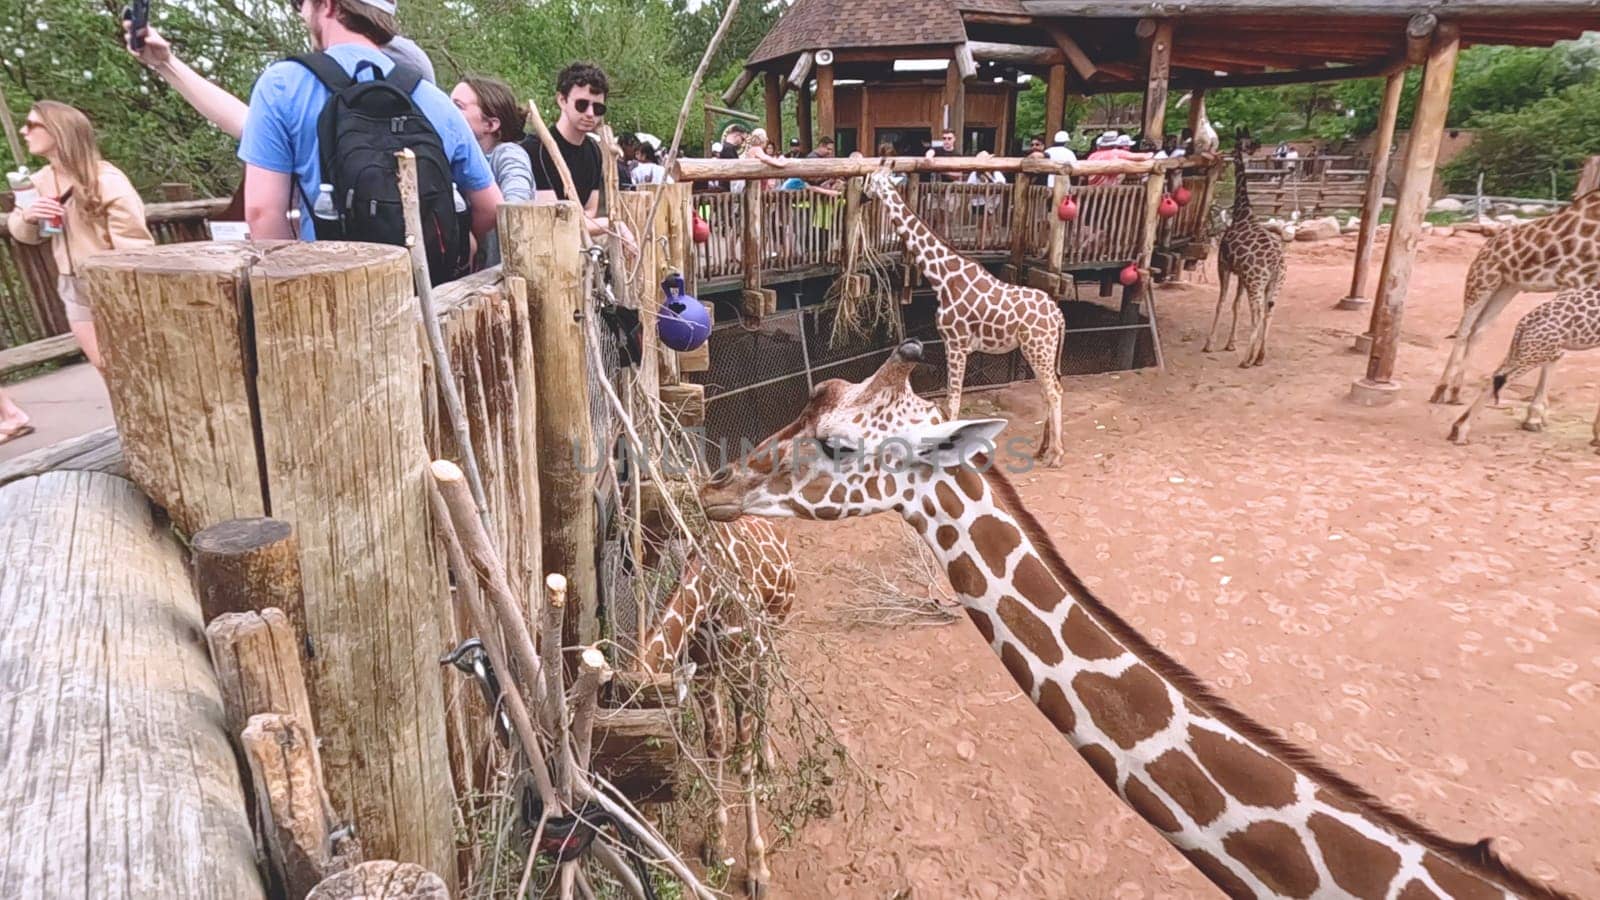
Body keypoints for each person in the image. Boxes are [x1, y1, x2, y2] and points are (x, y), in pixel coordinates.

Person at [237, 0, 501, 256]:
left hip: (327, 286)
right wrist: (449, 246)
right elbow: (490, 207)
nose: (302, 14)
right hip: (422, 290)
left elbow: (262, 213)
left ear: (328, 4)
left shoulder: (282, 85)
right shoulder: (433, 99)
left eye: (300, 3)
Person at [6, 102, 154, 371]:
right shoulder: (36, 181)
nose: (23, 131)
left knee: (137, 365)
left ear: (58, 130)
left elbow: (135, 244)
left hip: (112, 281)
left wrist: (128, 286)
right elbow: (24, 235)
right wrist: (28, 217)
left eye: (31, 125)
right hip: (71, 285)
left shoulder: (107, 179)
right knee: (105, 367)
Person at [123, 21, 440, 142]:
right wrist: (167, 65)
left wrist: (168, 66)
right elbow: (486, 206)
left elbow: (245, 123)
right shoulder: (433, 102)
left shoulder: (296, 90)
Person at [522, 62, 624, 242]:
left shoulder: (594, 151)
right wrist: (614, 224)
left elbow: (590, 212)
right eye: (582, 105)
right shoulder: (535, 149)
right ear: (562, 100)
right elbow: (555, 217)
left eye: (598, 108)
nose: (590, 113)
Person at [450, 75, 534, 267]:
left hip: (500, 280)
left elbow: (517, 208)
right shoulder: (453, 158)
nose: (447, 111)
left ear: (491, 124)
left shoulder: (508, 154)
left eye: (458, 106)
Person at [1086, 131, 1152, 186]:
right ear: (1115, 144)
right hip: (1111, 191)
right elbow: (1144, 157)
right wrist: (1152, 153)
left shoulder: (1092, 156)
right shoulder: (1116, 153)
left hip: (1092, 192)